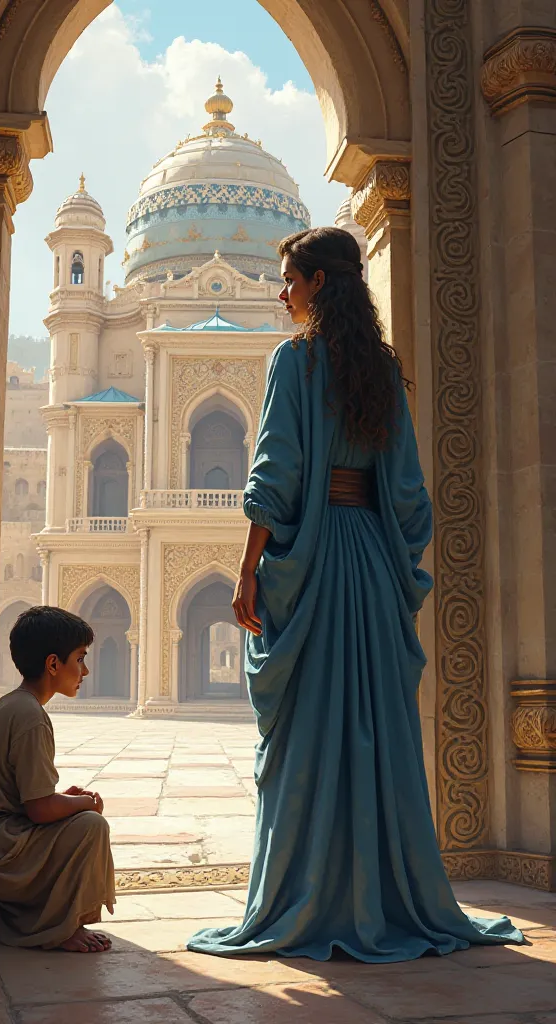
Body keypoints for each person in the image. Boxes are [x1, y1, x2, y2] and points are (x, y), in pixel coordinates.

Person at [188, 227, 522, 963]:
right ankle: (385, 894)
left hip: (315, 562)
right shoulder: (380, 371)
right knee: (375, 730)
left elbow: (276, 474)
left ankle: (308, 899)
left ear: (316, 284)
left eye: (288, 280)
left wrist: (248, 571)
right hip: (369, 566)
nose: (281, 293)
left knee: (305, 740)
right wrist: (394, 567)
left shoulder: (294, 361)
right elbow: (407, 493)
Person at [0, 605, 115, 953]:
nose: (85, 670)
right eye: (79, 659)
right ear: (53, 664)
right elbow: (38, 809)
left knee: (71, 816)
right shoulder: (31, 717)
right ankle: (59, 927)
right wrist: (85, 802)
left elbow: (19, 798)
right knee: (91, 826)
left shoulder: (10, 705)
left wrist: (60, 800)